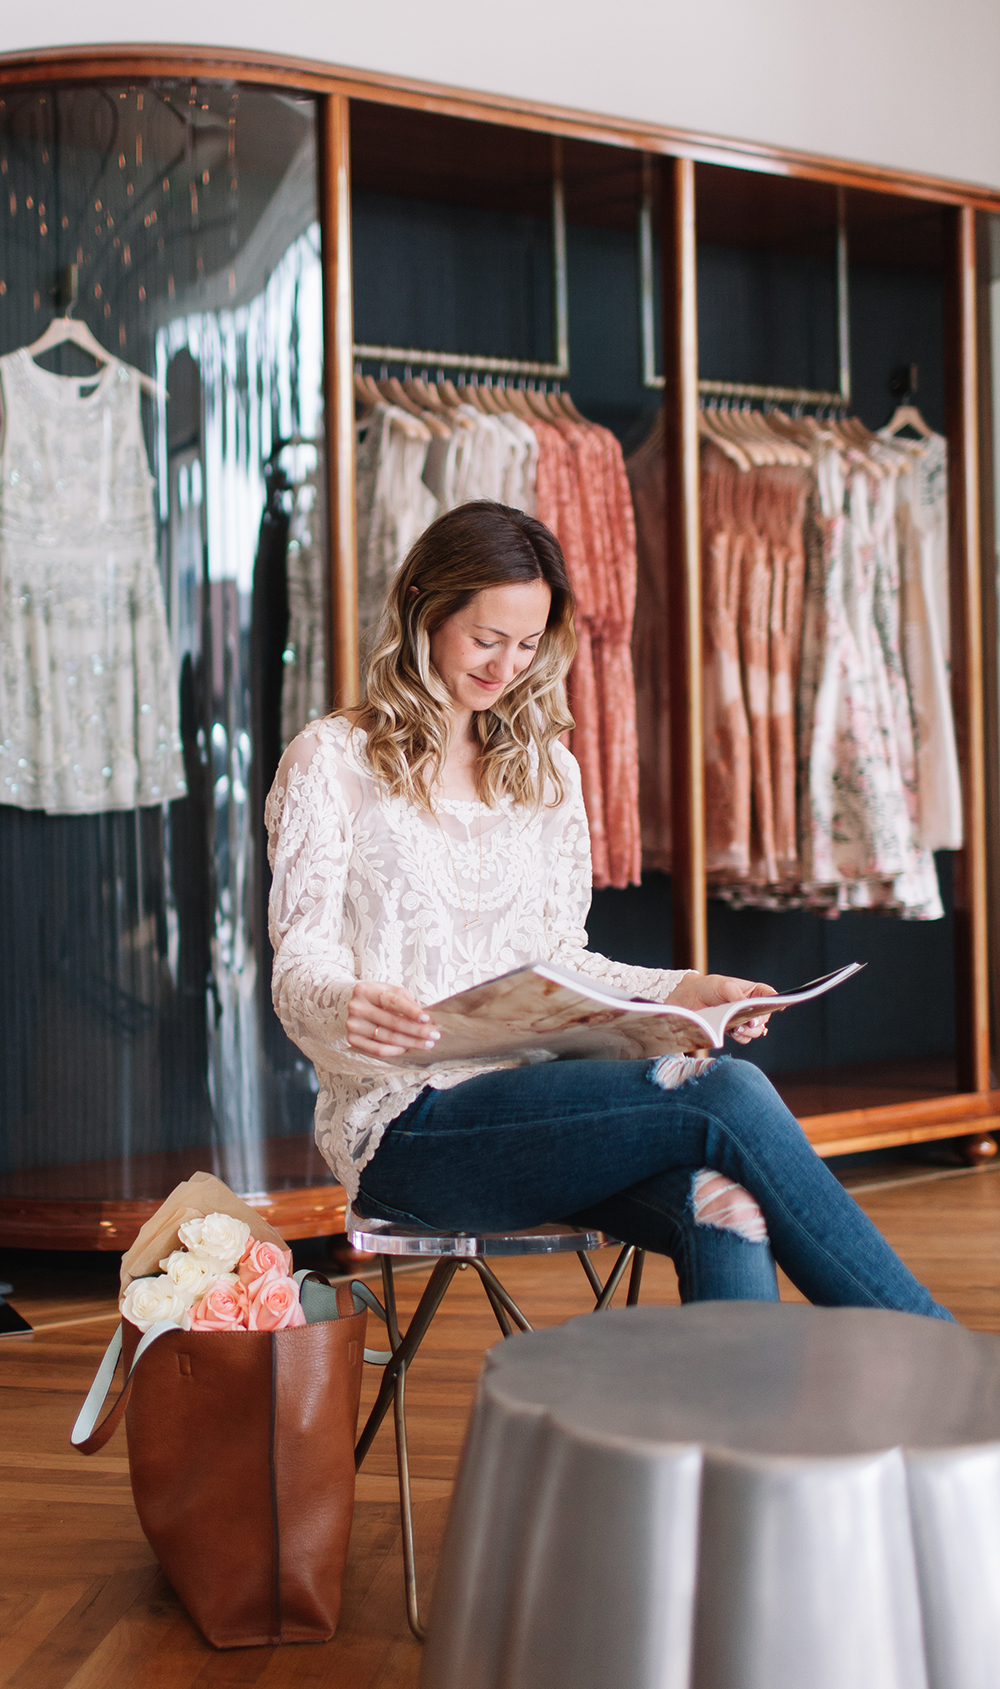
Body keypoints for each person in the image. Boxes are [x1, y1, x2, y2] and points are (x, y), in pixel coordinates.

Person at [266, 501, 952, 1318]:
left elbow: (562, 958)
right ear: (422, 604)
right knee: (723, 1095)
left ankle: (743, 1447)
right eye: (486, 639)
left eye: (528, 644)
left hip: (540, 1108)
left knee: (724, 1200)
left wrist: (683, 991)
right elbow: (299, 962)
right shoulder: (330, 760)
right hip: (410, 1128)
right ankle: (939, 1356)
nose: (506, 666)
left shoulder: (547, 769)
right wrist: (345, 1002)